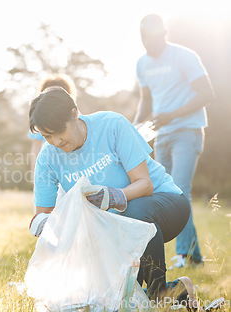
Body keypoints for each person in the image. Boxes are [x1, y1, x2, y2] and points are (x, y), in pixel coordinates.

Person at [28, 87, 197, 305]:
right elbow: (43, 216)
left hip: (164, 205)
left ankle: (158, 293)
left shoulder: (111, 125)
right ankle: (176, 290)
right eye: (47, 136)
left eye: (59, 132)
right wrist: (47, 226)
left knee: (131, 213)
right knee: (107, 300)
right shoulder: (47, 158)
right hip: (112, 226)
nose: (56, 142)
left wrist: (112, 196)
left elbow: (145, 185)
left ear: (74, 113)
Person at [134, 14, 215, 268]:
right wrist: (134, 129)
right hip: (162, 137)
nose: (149, 44)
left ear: (164, 34)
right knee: (165, 193)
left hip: (187, 132)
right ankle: (194, 257)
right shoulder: (142, 64)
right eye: (144, 40)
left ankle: (184, 254)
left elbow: (206, 94)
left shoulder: (184, 56)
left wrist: (172, 115)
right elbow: (146, 99)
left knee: (180, 191)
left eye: (153, 39)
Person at [29, 74, 77, 175]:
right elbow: (36, 146)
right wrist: (35, 171)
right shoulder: (40, 119)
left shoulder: (74, 117)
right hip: (53, 165)